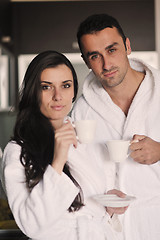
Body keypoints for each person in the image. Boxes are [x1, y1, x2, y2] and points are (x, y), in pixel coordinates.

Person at [0, 50, 127, 240]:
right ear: (32, 92)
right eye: (46, 87)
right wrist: (57, 161)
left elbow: (89, 209)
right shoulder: (18, 151)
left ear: (74, 91)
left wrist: (108, 205)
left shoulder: (83, 138)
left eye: (66, 86)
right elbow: (30, 225)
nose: (58, 96)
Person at [71, 14, 160, 240]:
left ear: (127, 46)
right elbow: (79, 175)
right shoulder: (82, 111)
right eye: (95, 56)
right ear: (86, 60)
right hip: (111, 231)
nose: (106, 64)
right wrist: (100, 197)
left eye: (112, 50)